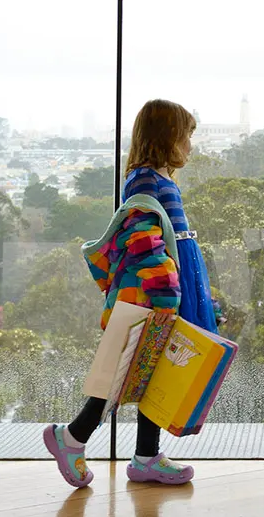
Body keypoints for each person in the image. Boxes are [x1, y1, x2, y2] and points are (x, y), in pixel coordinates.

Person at [42, 99, 217, 488]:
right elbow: (143, 241)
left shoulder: (158, 179)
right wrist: (166, 294)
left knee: (155, 373)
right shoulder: (144, 181)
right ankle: (71, 437)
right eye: (186, 135)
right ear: (166, 137)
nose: (190, 145)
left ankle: (146, 456)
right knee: (126, 373)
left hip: (173, 285)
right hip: (158, 293)